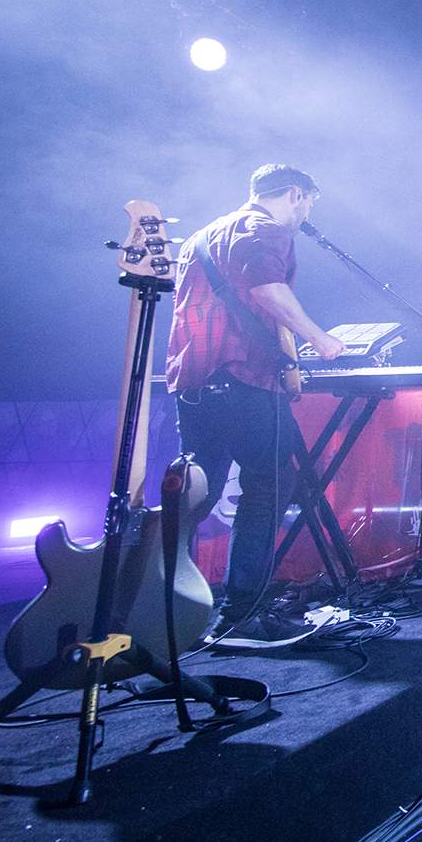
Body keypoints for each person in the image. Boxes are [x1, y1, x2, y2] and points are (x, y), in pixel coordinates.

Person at [167, 164, 346, 647]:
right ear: (295, 194)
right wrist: (320, 339)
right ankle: (241, 613)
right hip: (242, 379)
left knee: (193, 498)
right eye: (310, 202)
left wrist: (289, 361)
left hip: (194, 382)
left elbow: (237, 305)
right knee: (270, 484)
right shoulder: (264, 229)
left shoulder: (204, 235)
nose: (307, 214)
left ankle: (164, 612)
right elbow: (269, 293)